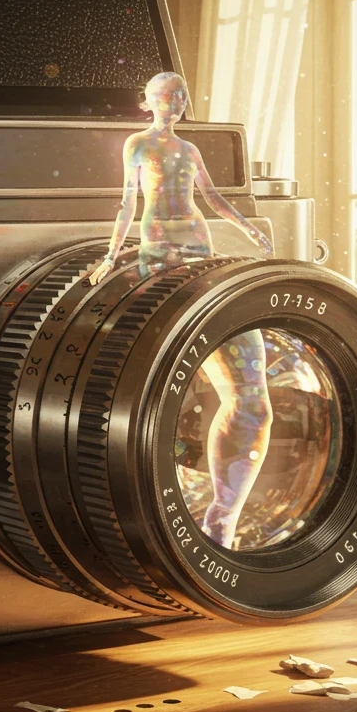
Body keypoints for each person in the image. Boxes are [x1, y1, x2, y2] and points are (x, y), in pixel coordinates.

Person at [88, 71, 275, 550]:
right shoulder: (138, 144)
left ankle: (221, 524)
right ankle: (157, 518)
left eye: (180, 97)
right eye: (163, 96)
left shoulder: (189, 151)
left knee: (253, 397)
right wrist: (112, 255)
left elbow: (210, 198)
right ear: (147, 102)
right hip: (161, 253)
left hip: (199, 246)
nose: (172, 104)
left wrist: (248, 228)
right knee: (151, 385)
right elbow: (127, 202)